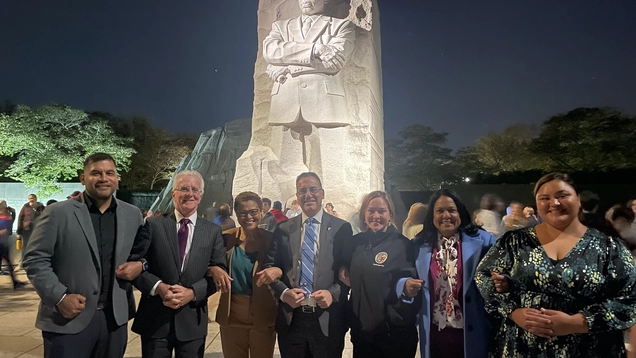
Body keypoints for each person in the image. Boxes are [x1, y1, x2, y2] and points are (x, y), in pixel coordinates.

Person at [475, 172, 636, 357]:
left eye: (562, 195)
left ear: (578, 200)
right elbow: (484, 275)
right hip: (522, 347)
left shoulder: (608, 247)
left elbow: (630, 298)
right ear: (537, 204)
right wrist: (513, 311)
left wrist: (577, 322)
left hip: (589, 348)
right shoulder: (514, 242)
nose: (554, 203)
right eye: (545, 198)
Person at [22, 153, 146, 358]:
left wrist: (141, 265)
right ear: (83, 178)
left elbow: (143, 255)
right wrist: (59, 297)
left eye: (110, 173)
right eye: (96, 173)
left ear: (117, 178)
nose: (104, 178)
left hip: (114, 321)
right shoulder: (57, 213)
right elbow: (35, 259)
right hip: (68, 320)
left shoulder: (133, 215)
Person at [129, 170, 227, 358]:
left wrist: (192, 293)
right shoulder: (153, 225)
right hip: (155, 320)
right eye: (184, 188)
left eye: (195, 189)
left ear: (201, 195)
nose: (190, 193)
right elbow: (134, 265)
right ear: (173, 193)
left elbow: (219, 273)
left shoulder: (212, 231)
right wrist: (158, 287)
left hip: (192, 321)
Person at [397, 188, 497, 358]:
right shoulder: (418, 245)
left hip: (472, 332)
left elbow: (502, 274)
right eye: (440, 211)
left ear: (460, 212)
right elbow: (403, 274)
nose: (446, 215)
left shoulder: (485, 241)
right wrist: (404, 286)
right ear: (432, 216)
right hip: (435, 333)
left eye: (451, 210)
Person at [263, 0, 355, 181]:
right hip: (286, 101)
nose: (308, 0)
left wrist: (287, 66)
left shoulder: (341, 25)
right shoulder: (280, 27)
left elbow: (335, 61)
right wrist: (316, 48)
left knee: (328, 169)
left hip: (324, 103)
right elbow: (270, 52)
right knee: (284, 170)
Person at [264, 172, 353, 358]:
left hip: (328, 319)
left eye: (313, 189)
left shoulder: (341, 228)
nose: (308, 194)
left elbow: (348, 272)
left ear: (322, 193)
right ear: (297, 196)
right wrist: (283, 293)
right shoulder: (283, 229)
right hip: (292, 320)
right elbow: (270, 266)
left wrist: (333, 293)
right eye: (302, 190)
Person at [339, 191, 419, 358]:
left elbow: (408, 277)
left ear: (390, 214)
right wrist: (343, 268)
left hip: (393, 337)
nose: (376, 215)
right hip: (362, 335)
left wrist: (406, 286)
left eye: (381, 211)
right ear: (363, 214)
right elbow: (343, 265)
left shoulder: (402, 245)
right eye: (371, 210)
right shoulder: (356, 243)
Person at [211, 191, 284, 358]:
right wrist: (212, 269)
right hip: (232, 317)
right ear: (236, 215)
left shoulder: (272, 239)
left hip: (263, 315)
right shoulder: (226, 238)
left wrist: (278, 270)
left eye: (254, 211)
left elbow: (286, 267)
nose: (249, 216)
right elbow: (209, 262)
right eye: (243, 213)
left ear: (261, 212)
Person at [0, 204, 25, 289]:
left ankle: (15, 283)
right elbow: (12, 218)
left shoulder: (6, 218)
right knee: (9, 264)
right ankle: (15, 283)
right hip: (2, 244)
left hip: (4, 243)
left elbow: (12, 219)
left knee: (9, 263)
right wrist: (12, 211)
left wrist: (12, 212)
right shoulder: (5, 219)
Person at [16, 193, 44, 261]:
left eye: (32, 198)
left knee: (36, 246)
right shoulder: (25, 207)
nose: (30, 200)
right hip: (26, 229)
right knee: (25, 246)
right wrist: (19, 231)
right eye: (29, 199)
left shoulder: (41, 207)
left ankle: (35, 261)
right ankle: (23, 261)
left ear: (36, 199)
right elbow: (20, 218)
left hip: (37, 229)